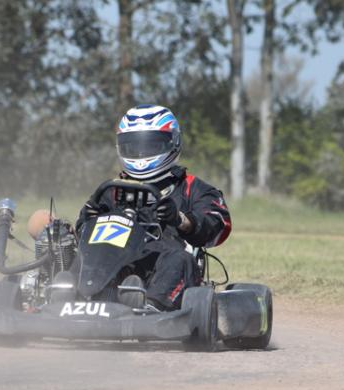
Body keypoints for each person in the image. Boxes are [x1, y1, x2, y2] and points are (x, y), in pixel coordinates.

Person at [76, 104, 231, 310]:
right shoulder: (110, 190)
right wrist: (86, 220)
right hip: (113, 263)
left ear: (172, 142)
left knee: (180, 258)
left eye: (151, 145)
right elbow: (85, 237)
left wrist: (182, 220)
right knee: (78, 252)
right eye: (134, 146)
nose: (141, 154)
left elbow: (218, 225)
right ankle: (65, 296)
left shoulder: (191, 187)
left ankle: (152, 306)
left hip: (162, 264)